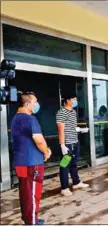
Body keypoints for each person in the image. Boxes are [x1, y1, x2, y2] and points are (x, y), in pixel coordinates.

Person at [11, 91, 52, 225]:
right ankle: (32, 222)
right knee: (33, 193)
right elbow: (39, 140)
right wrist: (46, 152)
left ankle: (28, 219)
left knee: (25, 192)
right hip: (31, 164)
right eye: (34, 102)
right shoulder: (29, 119)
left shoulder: (16, 118)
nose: (36, 105)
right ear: (27, 103)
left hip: (21, 163)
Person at [56, 93, 89, 197]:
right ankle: (64, 188)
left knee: (74, 163)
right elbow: (61, 130)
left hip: (75, 142)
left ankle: (76, 182)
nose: (75, 101)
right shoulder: (61, 112)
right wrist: (62, 145)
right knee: (64, 165)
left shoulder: (73, 112)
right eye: (73, 99)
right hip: (67, 144)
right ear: (67, 100)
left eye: (76, 99)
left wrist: (79, 130)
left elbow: (72, 127)